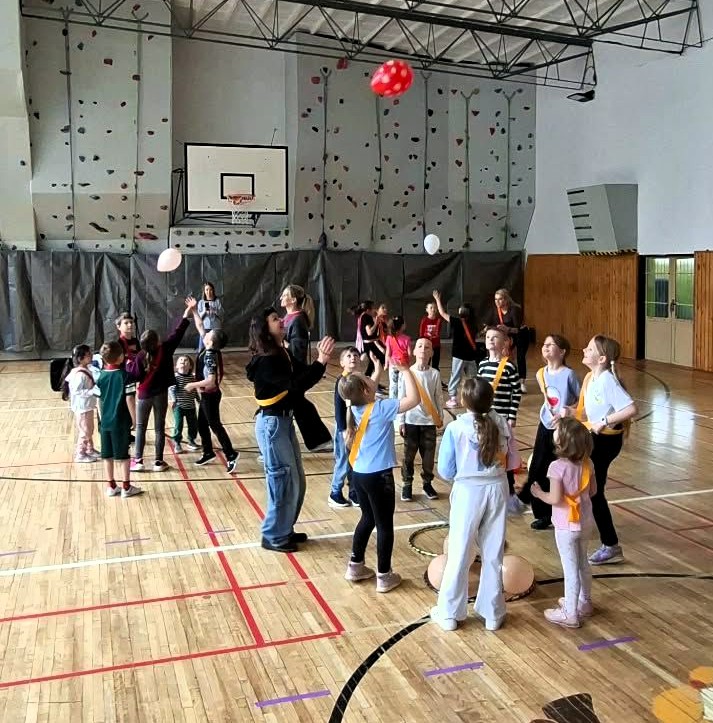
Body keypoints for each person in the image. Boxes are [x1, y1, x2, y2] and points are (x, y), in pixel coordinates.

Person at [246, 307, 335, 553]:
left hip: (284, 423)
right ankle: (272, 535)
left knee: (296, 481)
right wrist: (321, 361)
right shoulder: (266, 361)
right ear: (265, 329)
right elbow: (296, 385)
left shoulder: (281, 353)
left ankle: (284, 528)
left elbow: (303, 375)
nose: (281, 321)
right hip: (272, 425)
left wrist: (320, 362)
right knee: (282, 480)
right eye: (275, 319)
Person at [430, 377, 510, 632]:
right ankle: (493, 613)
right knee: (493, 552)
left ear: (464, 401)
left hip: (468, 490)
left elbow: (445, 470)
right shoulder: (501, 422)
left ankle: (449, 613)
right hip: (497, 487)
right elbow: (514, 460)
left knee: (460, 551)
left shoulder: (456, 428)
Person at [339, 360, 420, 593]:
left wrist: (377, 370)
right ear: (366, 390)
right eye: (368, 379)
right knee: (384, 525)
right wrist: (405, 370)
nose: (372, 379)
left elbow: (365, 387)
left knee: (367, 518)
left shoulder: (354, 408)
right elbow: (414, 399)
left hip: (359, 474)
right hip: (379, 477)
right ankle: (384, 576)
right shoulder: (381, 408)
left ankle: (355, 566)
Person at [574, 335, 637, 565]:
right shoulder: (591, 377)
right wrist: (569, 412)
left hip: (605, 442)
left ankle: (611, 545)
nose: (584, 349)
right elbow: (589, 410)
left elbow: (631, 409)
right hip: (595, 438)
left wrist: (605, 421)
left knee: (595, 491)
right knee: (589, 488)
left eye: (590, 349)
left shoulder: (607, 380)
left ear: (601, 358)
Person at [531, 417, 596, 628]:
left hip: (566, 525)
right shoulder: (588, 463)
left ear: (561, 442)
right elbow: (593, 491)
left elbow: (555, 498)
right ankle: (584, 602)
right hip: (585, 521)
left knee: (570, 569)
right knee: (583, 562)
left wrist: (538, 493)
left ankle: (570, 613)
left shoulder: (556, 467)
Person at [518, 335, 581, 530]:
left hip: (563, 429)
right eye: (544, 344)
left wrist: (567, 411)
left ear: (562, 352)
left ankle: (556, 510)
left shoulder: (569, 375)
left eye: (550, 344)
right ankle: (540, 512)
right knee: (537, 465)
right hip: (545, 424)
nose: (545, 347)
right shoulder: (541, 373)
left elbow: (581, 401)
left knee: (554, 469)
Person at [131, 298, 196, 473]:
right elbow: (178, 332)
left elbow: (135, 376)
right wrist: (187, 312)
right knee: (159, 428)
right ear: (157, 341)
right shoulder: (165, 349)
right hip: (160, 394)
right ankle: (158, 462)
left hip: (144, 395)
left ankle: (138, 461)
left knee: (140, 428)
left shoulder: (140, 356)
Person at [186, 310, 240, 474]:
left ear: (210, 341)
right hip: (206, 395)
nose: (206, 332)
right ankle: (208, 452)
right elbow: (200, 326)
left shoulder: (210, 356)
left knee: (215, 425)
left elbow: (211, 381)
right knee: (202, 424)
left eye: (209, 333)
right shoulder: (209, 347)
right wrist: (194, 310)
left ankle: (231, 454)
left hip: (210, 395)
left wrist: (192, 385)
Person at [280, 283, 332, 453]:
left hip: (296, 371)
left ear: (293, 300)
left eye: (285, 295)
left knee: (295, 404)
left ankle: (319, 440)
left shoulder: (298, 320)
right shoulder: (289, 318)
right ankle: (320, 441)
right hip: (288, 370)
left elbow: (297, 350)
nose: (281, 298)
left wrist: (282, 343)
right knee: (300, 405)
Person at [477, 327, 523, 514]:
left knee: (504, 455)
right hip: (485, 419)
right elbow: (478, 392)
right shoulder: (482, 365)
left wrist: (512, 416)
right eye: (488, 337)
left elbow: (516, 393)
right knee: (486, 451)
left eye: (495, 337)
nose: (490, 340)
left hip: (502, 419)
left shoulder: (509, 366)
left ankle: (510, 492)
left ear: (505, 343)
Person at [96, 340, 144, 499]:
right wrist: (135, 420)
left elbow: (98, 401)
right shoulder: (126, 376)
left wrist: (102, 418)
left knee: (107, 455)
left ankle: (111, 486)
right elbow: (130, 399)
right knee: (123, 455)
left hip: (105, 422)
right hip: (120, 421)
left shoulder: (101, 376)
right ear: (120, 357)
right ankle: (126, 487)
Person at [397, 338, 442, 502]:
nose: (423, 349)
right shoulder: (407, 373)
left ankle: (427, 483)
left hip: (429, 422)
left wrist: (439, 417)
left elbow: (438, 397)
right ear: (414, 351)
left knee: (429, 457)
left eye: (427, 347)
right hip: (411, 421)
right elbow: (401, 396)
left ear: (432, 353)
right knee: (408, 456)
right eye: (420, 346)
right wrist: (401, 420)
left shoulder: (435, 374)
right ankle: (407, 483)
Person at [432, 290, 483, 408]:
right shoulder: (474, 323)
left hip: (459, 355)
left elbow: (442, 313)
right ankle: (474, 396)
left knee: (455, 376)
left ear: (462, 312)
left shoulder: (456, 321)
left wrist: (437, 299)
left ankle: (453, 398)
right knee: (473, 377)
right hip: (471, 355)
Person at [329, 346, 362, 509]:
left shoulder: (359, 380)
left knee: (354, 461)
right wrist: (343, 430)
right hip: (344, 428)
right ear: (342, 362)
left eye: (355, 355)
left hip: (357, 428)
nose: (353, 358)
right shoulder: (341, 381)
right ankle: (335, 493)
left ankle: (354, 492)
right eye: (348, 356)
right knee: (343, 460)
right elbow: (339, 409)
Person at [483, 288, 529, 394]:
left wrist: (507, 329)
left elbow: (518, 328)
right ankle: (506, 379)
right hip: (508, 336)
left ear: (506, 299)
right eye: (495, 299)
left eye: (500, 299)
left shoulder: (514, 310)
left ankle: (522, 383)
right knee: (504, 356)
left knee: (520, 357)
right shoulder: (495, 310)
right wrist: (486, 328)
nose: (497, 302)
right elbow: (488, 323)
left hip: (521, 335)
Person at [65, 344, 101, 463]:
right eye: (88, 354)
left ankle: (90, 449)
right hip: (82, 407)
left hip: (87, 406)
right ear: (81, 359)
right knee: (85, 431)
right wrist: (91, 391)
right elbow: (76, 391)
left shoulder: (86, 369)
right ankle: (80, 453)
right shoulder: (79, 374)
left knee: (89, 428)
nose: (91, 356)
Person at [169, 355, 200, 454]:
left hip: (191, 406)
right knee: (179, 425)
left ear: (190, 366)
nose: (183, 361)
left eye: (186, 360)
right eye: (181, 360)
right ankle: (177, 442)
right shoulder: (176, 377)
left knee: (193, 424)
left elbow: (194, 389)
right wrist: (174, 400)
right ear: (177, 366)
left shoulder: (192, 377)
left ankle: (191, 441)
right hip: (179, 406)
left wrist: (198, 399)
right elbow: (171, 389)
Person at [115, 312, 139, 430]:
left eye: (131, 322)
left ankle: (132, 424)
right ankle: (133, 423)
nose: (130, 325)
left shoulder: (135, 341)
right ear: (118, 327)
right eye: (126, 323)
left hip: (133, 374)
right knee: (127, 400)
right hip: (123, 376)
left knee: (131, 398)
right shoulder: (118, 343)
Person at [352, 300, 385, 378]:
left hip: (368, 343)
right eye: (373, 308)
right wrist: (376, 323)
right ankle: (371, 378)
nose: (374, 309)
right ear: (368, 310)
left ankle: (368, 378)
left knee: (373, 362)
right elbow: (369, 332)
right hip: (370, 344)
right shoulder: (367, 317)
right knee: (380, 359)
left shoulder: (362, 316)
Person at [384, 315, 412, 399]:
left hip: (393, 364)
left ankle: (392, 401)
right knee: (402, 385)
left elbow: (388, 353)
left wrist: (386, 364)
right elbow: (409, 354)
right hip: (403, 365)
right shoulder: (406, 339)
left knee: (393, 385)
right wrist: (408, 364)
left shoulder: (389, 338)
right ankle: (401, 402)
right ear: (402, 326)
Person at [197, 283, 224, 351]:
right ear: (204, 291)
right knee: (202, 347)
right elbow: (198, 317)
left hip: (215, 328)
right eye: (207, 290)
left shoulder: (217, 301)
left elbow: (222, 314)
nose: (209, 292)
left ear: (213, 291)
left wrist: (215, 311)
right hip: (204, 328)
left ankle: (215, 357)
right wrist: (204, 311)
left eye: (210, 290)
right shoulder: (201, 302)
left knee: (215, 347)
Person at [419, 301, 443, 371]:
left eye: (435, 308)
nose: (433, 309)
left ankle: (436, 377)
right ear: (427, 309)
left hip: (436, 346)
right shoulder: (424, 320)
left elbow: (438, 332)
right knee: (426, 364)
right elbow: (421, 334)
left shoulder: (439, 320)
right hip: (427, 346)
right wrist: (422, 345)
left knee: (435, 365)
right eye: (431, 308)